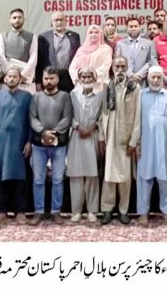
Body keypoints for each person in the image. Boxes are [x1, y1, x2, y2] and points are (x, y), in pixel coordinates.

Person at [130, 66, 167, 227]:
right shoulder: (140, 95)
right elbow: (135, 120)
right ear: (147, 78)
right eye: (153, 77)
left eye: (158, 77)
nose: (155, 80)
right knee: (144, 177)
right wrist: (136, 142)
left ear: (163, 79)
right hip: (145, 143)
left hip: (164, 143)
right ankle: (143, 212)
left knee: (165, 178)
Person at [0, 68, 34, 226]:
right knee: (1, 177)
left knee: (21, 177)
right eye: (9, 76)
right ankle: (1, 211)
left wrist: (29, 141)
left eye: (15, 76)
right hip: (1, 143)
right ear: (5, 78)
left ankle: (20, 211)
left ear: (20, 79)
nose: (11, 79)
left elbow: (31, 121)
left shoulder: (27, 97)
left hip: (20, 143)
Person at [29, 67, 73, 225]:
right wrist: (43, 132)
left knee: (57, 179)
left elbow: (67, 118)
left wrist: (53, 133)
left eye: (51, 78)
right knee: (38, 180)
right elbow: (32, 118)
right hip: (39, 145)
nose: (48, 81)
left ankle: (56, 211)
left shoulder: (65, 97)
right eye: (46, 78)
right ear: (42, 79)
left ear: (57, 79)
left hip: (59, 144)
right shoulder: (36, 97)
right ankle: (39, 211)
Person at [100, 57, 141, 225]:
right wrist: (101, 137)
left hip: (126, 135)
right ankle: (107, 209)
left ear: (127, 67)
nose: (120, 69)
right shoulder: (106, 86)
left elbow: (138, 115)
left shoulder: (134, 87)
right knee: (108, 175)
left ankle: (124, 210)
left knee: (125, 176)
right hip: (109, 135)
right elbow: (102, 113)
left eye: (123, 66)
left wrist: (134, 140)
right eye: (117, 66)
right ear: (112, 67)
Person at [67, 67, 105, 223]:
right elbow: (68, 115)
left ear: (95, 79)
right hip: (76, 136)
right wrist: (77, 126)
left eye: (90, 77)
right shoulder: (72, 94)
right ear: (79, 79)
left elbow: (103, 115)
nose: (87, 79)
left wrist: (94, 127)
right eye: (84, 77)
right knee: (76, 175)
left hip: (93, 136)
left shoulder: (101, 95)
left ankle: (91, 210)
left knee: (92, 175)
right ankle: (76, 211)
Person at [0, 8, 38, 94]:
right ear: (10, 20)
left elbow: (33, 58)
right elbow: (0, 56)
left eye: (19, 17)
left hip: (25, 80)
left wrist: (22, 75)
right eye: (14, 18)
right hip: (7, 81)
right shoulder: (2, 36)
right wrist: (11, 74)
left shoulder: (31, 37)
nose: (17, 20)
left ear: (24, 19)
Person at [37, 11, 81, 92]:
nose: (59, 22)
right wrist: (38, 82)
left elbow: (79, 58)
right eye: (56, 20)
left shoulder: (75, 36)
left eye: (61, 20)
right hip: (50, 77)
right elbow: (39, 62)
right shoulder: (43, 37)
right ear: (51, 23)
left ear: (66, 21)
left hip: (69, 77)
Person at [114, 17, 154, 84]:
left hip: (142, 81)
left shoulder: (148, 43)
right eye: (131, 26)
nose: (133, 28)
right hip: (125, 81)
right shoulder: (120, 44)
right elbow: (118, 62)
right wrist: (130, 74)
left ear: (140, 28)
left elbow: (150, 61)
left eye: (135, 26)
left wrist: (139, 75)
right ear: (126, 28)